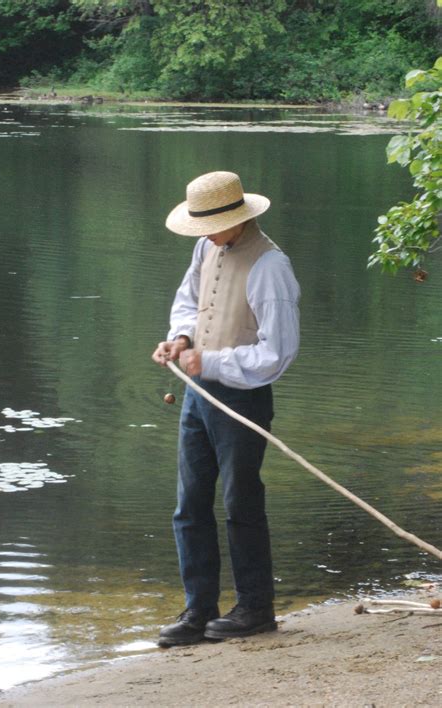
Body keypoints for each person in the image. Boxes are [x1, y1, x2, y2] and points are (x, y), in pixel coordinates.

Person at [152, 171, 300, 647]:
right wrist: (181, 340)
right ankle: (198, 610)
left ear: (238, 217)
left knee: (241, 504)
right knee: (189, 504)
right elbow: (189, 302)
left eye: (211, 226)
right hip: (199, 394)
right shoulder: (207, 246)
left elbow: (277, 354)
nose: (204, 236)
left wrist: (209, 359)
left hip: (244, 398)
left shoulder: (271, 266)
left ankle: (255, 608)